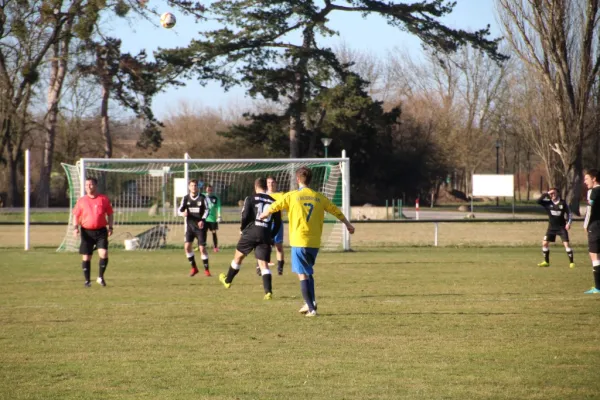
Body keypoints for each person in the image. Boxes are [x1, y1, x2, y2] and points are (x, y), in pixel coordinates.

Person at [258, 166, 355, 317]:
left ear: (298, 180)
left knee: (302, 274)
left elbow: (275, 206)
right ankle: (311, 302)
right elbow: (335, 210)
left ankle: (311, 308)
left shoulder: (292, 196)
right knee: (308, 272)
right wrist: (348, 224)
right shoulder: (319, 197)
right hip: (314, 242)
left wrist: (264, 214)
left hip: (299, 241)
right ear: (310, 180)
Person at [219, 178, 282, 300]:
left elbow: (245, 215)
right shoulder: (274, 202)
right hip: (265, 234)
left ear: (256, 186)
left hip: (251, 232)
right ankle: (268, 292)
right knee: (264, 265)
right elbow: (278, 223)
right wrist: (271, 236)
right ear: (266, 187)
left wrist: (243, 229)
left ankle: (228, 280)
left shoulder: (250, 198)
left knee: (238, 257)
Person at [72, 177, 114, 287]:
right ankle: (87, 281)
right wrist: (75, 228)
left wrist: (110, 227)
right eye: (86, 185)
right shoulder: (81, 200)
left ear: (95, 186)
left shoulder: (103, 199)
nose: (88, 186)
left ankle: (100, 277)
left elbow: (110, 214)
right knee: (86, 256)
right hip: (86, 231)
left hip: (101, 231)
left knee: (104, 253)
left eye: (90, 184)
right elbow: (76, 215)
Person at [179, 179, 211, 277]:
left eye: (195, 185)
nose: (194, 187)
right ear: (189, 187)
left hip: (200, 228)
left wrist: (202, 220)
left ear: (198, 187)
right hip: (190, 227)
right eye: (192, 185)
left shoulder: (203, 198)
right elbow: (179, 210)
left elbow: (207, 210)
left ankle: (206, 270)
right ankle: (194, 268)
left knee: (202, 249)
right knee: (187, 247)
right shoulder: (185, 198)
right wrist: (182, 213)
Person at [536, 187, 575, 268]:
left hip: (561, 227)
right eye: (551, 193)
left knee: (566, 244)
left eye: (554, 193)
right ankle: (546, 262)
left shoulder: (563, 203)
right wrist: (546, 194)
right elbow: (538, 201)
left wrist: (568, 223)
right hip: (551, 228)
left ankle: (571, 262)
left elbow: (569, 214)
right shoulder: (548, 203)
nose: (552, 195)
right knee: (544, 243)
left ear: (558, 193)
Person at [255, 175, 286, 276]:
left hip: (277, 223)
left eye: (272, 182)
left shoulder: (281, 195)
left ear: (276, 183)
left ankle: (280, 268)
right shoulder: (263, 195)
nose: (270, 185)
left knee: (278, 246)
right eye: (268, 183)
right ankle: (259, 266)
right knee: (263, 245)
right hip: (265, 223)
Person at [583, 169, 600, 294]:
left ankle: (598, 287)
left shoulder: (593, 192)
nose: (585, 182)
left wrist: (585, 225)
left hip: (595, 226)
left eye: (586, 179)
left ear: (594, 179)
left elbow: (589, 211)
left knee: (594, 255)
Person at [203, 184, 222, 252]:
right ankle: (202, 246)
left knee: (214, 232)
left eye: (210, 190)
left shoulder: (215, 198)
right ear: (205, 190)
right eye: (208, 189)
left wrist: (219, 216)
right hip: (204, 219)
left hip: (212, 219)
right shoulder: (202, 196)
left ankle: (215, 247)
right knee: (203, 233)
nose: (209, 191)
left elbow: (219, 207)